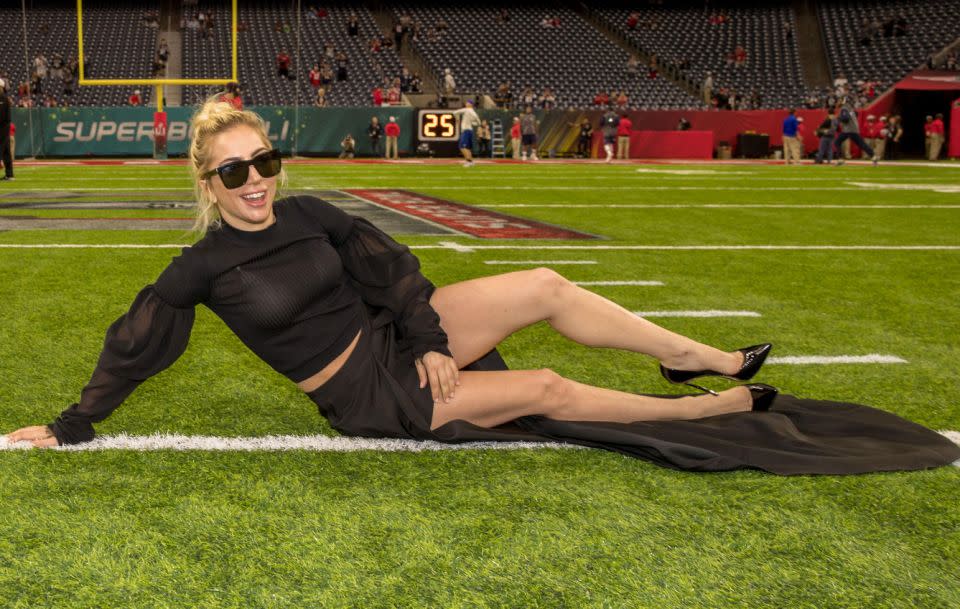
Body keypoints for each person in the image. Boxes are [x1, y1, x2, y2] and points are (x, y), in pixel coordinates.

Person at [9, 97, 957, 477]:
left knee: (543, 278)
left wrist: (426, 337)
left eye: (264, 160)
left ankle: (690, 353)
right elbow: (135, 346)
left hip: (397, 351)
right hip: (364, 393)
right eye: (233, 172)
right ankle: (713, 410)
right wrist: (73, 421)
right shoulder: (200, 267)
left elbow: (392, 272)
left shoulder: (315, 212)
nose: (255, 179)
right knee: (543, 389)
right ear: (206, 183)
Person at [834, 100, 878, 165]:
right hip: (851, 129)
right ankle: (873, 156)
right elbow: (856, 114)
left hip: (849, 130)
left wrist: (839, 118)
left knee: (838, 142)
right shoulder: (849, 108)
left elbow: (845, 118)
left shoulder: (844, 108)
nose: (837, 103)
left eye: (838, 101)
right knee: (860, 144)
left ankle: (840, 159)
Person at [453, 99, 480, 167]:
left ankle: (468, 162)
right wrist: (472, 123)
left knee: (462, 147)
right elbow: (478, 122)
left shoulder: (467, 109)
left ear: (470, 104)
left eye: (467, 103)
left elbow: (455, 112)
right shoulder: (473, 112)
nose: (466, 104)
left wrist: (457, 119)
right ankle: (471, 161)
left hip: (466, 131)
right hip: (470, 130)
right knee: (467, 148)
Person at [0, 80, 13, 181]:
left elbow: (3, 116)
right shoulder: (6, 98)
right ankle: (9, 174)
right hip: (5, 126)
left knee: (2, 147)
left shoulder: (3, 99)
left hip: (3, 126)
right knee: (7, 151)